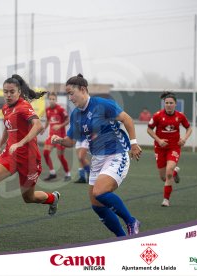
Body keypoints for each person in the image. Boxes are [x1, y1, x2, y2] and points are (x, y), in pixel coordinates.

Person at [51, 74, 142, 237]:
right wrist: (59, 140)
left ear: (83, 89)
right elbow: (71, 141)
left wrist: (134, 143)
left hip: (117, 154)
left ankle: (131, 221)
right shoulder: (75, 115)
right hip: (97, 160)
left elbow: (127, 119)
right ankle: (122, 237)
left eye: (72, 93)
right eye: (67, 94)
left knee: (99, 193)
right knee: (97, 205)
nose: (70, 98)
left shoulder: (102, 104)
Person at [0, 75, 59, 230]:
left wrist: (20, 143)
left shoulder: (24, 107)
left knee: (29, 197)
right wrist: (0, 145)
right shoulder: (6, 108)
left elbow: (38, 126)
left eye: (11, 92)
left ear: (19, 92)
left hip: (29, 159)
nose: (8, 95)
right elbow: (8, 127)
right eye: (5, 92)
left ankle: (52, 198)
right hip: (10, 154)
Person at [147, 91, 192, 207]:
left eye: (171, 103)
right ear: (164, 104)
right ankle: (175, 171)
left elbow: (189, 128)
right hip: (160, 148)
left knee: (168, 172)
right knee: (163, 177)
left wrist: (184, 139)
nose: (168, 105)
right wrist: (159, 140)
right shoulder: (157, 115)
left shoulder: (180, 116)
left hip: (174, 147)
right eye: (166, 103)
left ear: (175, 104)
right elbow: (149, 129)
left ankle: (166, 200)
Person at [40, 92, 71, 181]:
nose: (52, 101)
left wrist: (60, 126)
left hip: (60, 137)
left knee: (60, 156)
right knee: (46, 153)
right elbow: (48, 120)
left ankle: (68, 174)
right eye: (50, 99)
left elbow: (68, 120)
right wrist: (44, 129)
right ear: (48, 100)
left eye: (53, 99)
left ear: (56, 100)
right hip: (51, 136)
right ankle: (52, 173)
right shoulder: (47, 109)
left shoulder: (61, 109)